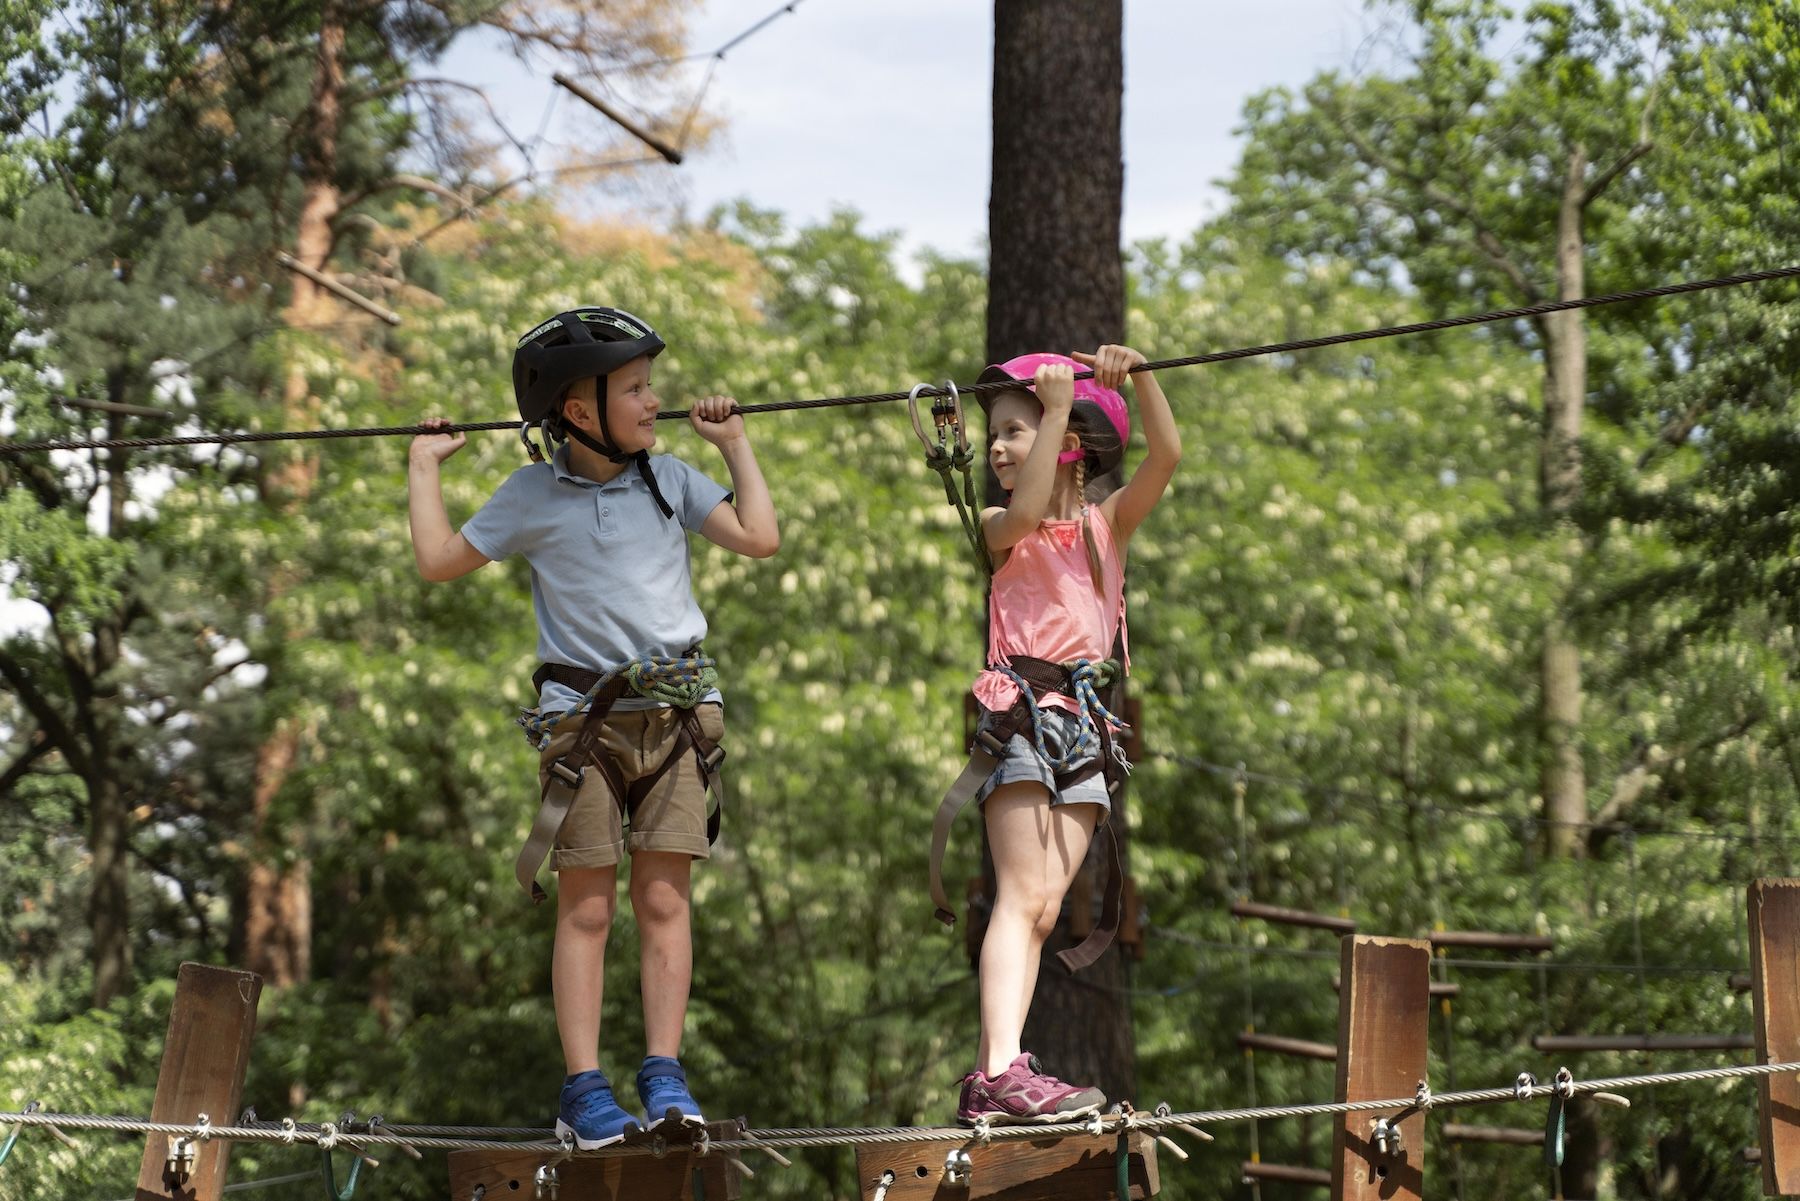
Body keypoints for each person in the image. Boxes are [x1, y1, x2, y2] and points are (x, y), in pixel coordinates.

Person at [407, 306, 778, 1148]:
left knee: (663, 898)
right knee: (587, 908)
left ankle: (664, 1073)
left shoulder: (671, 477)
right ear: (579, 412)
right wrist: (424, 466)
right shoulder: (532, 495)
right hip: (584, 728)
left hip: (679, 717)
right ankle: (583, 1086)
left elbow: (760, 537)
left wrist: (735, 447)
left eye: (653, 386)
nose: (655, 402)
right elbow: (438, 561)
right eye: (637, 389)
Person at [952, 345, 1180, 1125]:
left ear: (1071, 443)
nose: (999, 448)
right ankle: (995, 1066)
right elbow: (1020, 517)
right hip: (1020, 712)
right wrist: (1052, 407)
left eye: (1015, 429)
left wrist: (1140, 375)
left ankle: (1004, 1068)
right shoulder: (997, 526)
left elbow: (1169, 455)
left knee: (1047, 906)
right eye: (996, 436)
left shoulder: (1104, 525)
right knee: (1020, 895)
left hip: (1084, 726)